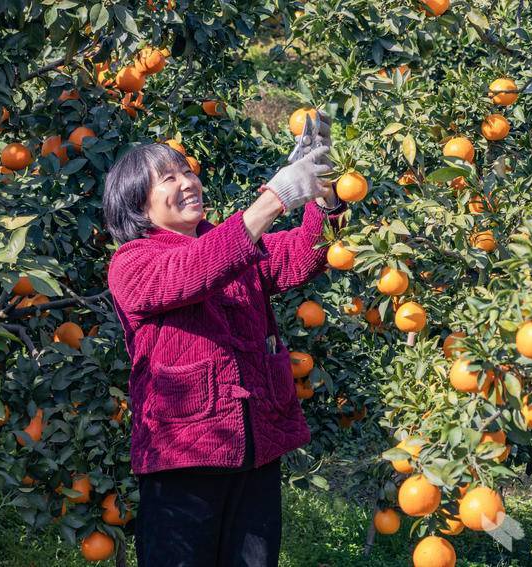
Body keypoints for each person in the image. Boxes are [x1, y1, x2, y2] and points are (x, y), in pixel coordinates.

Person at [103, 112, 346, 567]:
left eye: (187, 171)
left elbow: (305, 254)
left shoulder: (231, 245)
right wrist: (275, 198)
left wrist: (325, 194)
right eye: (169, 178)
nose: (188, 182)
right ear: (137, 204)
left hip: (256, 448)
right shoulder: (132, 264)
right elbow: (193, 270)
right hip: (184, 458)